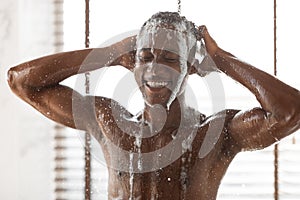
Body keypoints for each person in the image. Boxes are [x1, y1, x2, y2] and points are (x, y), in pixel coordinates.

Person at [7, 12, 300, 200]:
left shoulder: (216, 133)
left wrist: (221, 59)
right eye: (145, 57)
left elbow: (289, 112)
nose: (155, 69)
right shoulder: (109, 122)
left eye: (171, 59)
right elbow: (21, 82)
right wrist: (108, 53)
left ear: (191, 68)